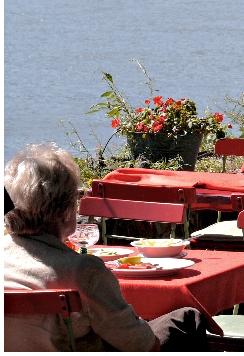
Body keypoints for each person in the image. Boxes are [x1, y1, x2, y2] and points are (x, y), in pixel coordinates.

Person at [4, 143, 210, 352]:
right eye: (77, 199)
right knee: (188, 318)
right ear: (64, 211)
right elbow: (143, 346)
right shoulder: (83, 272)